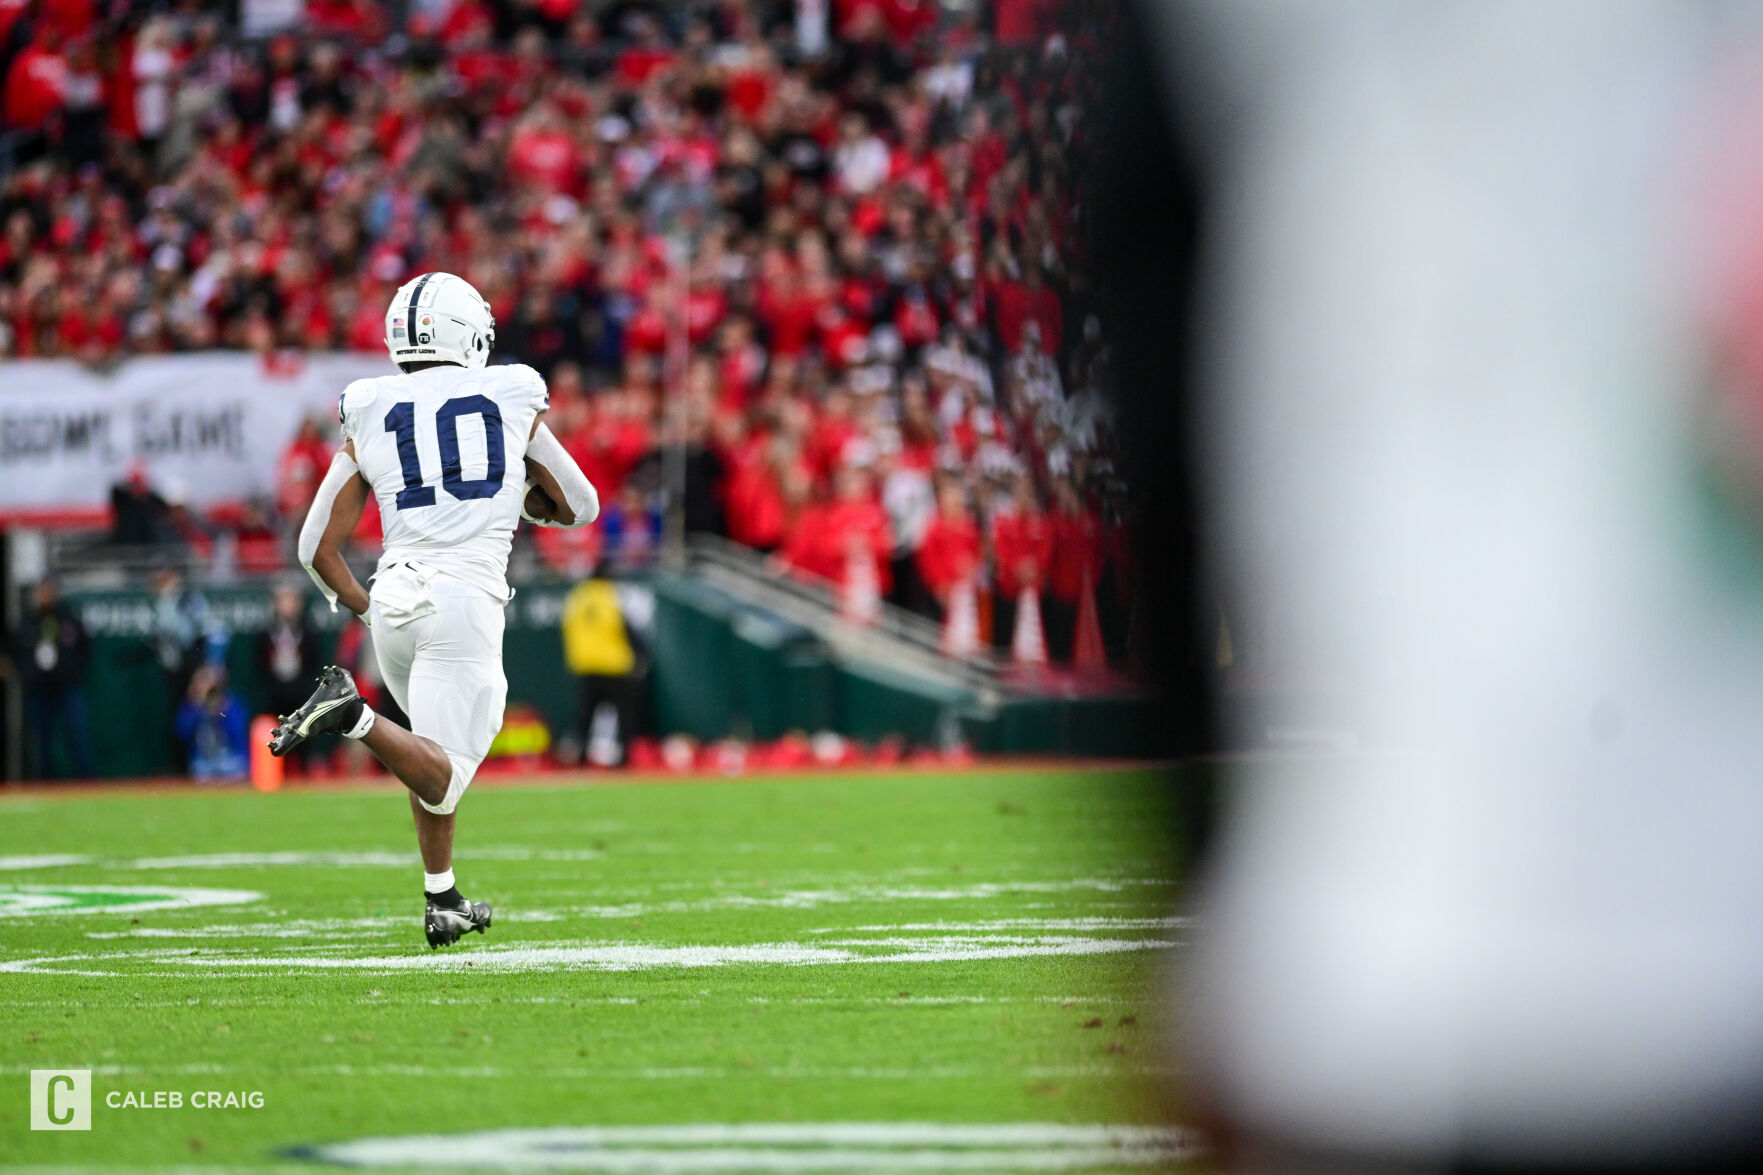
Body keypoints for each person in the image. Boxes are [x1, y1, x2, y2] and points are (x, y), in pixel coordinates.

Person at [270, 272, 599, 948]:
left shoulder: (369, 404)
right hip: (465, 597)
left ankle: (441, 895)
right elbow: (582, 503)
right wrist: (530, 504)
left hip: (392, 596)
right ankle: (354, 713)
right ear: (465, 331)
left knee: (428, 757)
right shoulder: (510, 393)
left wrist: (368, 612)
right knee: (446, 768)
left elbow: (314, 548)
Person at [7, 577, 92, 779]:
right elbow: (13, 651)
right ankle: (46, 782)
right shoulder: (27, 621)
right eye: (42, 591)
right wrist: (25, 674)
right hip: (38, 689)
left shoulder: (68, 618)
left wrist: (73, 672)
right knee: (42, 740)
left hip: (66, 687)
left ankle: (88, 781)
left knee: (76, 735)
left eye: (49, 591)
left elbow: (85, 650)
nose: (45, 595)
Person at [257, 584, 322, 771]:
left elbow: (313, 664)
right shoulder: (266, 633)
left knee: (303, 741)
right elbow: (259, 665)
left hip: (301, 696)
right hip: (275, 695)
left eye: (291, 601)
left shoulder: (308, 632)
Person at [175, 664, 250, 782]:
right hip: (203, 762)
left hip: (230, 760)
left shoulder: (232, 703)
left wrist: (222, 712)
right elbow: (182, 733)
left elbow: (238, 735)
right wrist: (195, 707)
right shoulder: (192, 706)